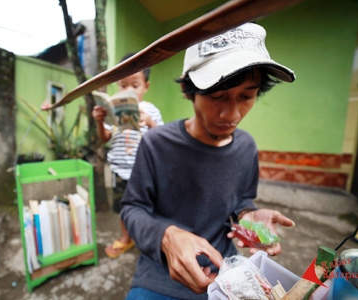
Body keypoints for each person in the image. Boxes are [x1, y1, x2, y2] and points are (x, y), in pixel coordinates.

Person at [120, 23, 296, 299]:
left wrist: (248, 216)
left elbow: (241, 200)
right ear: (190, 92)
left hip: (223, 272)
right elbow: (132, 207)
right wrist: (166, 236)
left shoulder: (247, 147)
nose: (232, 113)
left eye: (247, 96)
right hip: (157, 275)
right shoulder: (155, 143)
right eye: (217, 96)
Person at [92, 53, 164, 258]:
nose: (129, 90)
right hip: (118, 171)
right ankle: (126, 238)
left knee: (146, 208)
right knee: (122, 208)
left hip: (143, 173)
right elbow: (104, 137)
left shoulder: (150, 111)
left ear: (146, 87)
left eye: (135, 85)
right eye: (123, 85)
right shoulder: (112, 110)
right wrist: (99, 121)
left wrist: (150, 123)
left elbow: (162, 138)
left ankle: (147, 239)